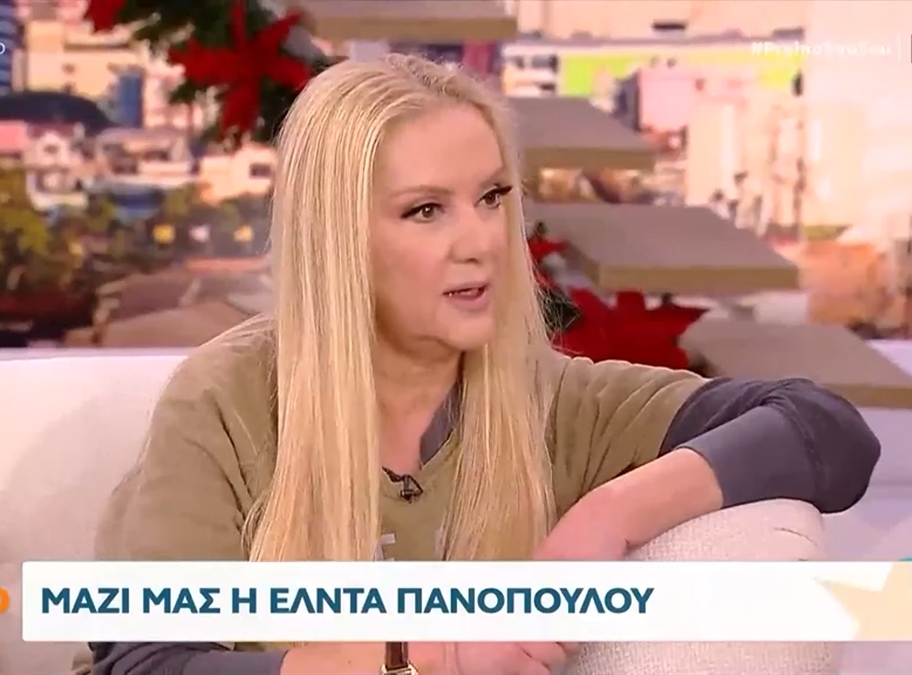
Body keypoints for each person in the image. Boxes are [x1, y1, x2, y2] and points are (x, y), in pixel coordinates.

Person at [74, 55, 880, 675]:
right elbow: (147, 662)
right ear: (339, 239)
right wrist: (427, 651)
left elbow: (823, 429)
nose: (482, 240)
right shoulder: (230, 397)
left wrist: (606, 517)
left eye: (492, 197)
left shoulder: (557, 401)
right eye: (426, 209)